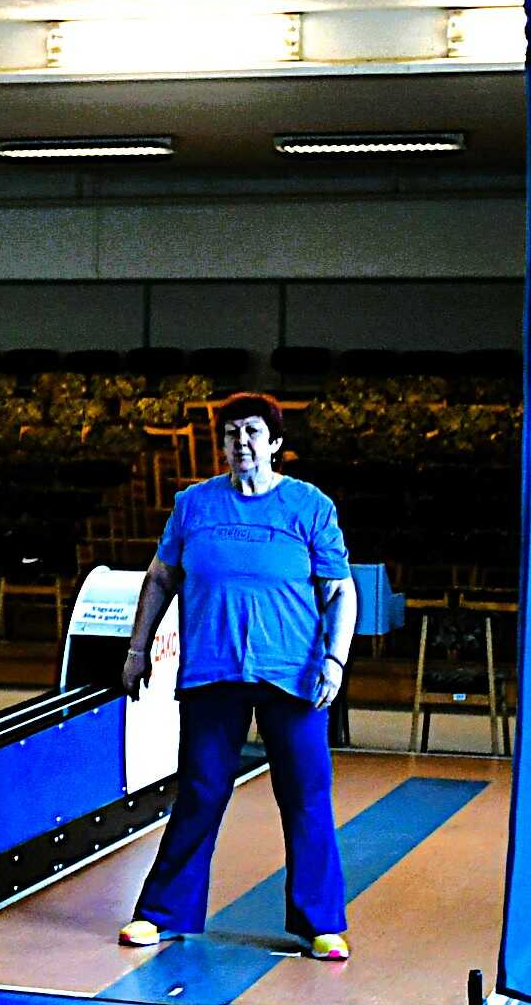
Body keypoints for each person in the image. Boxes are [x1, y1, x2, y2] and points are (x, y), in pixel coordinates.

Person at [115, 393, 359, 958]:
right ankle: (161, 914)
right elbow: (160, 578)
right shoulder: (194, 505)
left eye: (252, 432)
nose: (241, 442)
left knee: (305, 796)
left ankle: (320, 923)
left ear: (275, 443)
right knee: (199, 791)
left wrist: (334, 659)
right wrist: (137, 649)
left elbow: (339, 591)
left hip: (292, 676)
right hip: (212, 671)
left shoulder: (309, 506)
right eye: (230, 433)